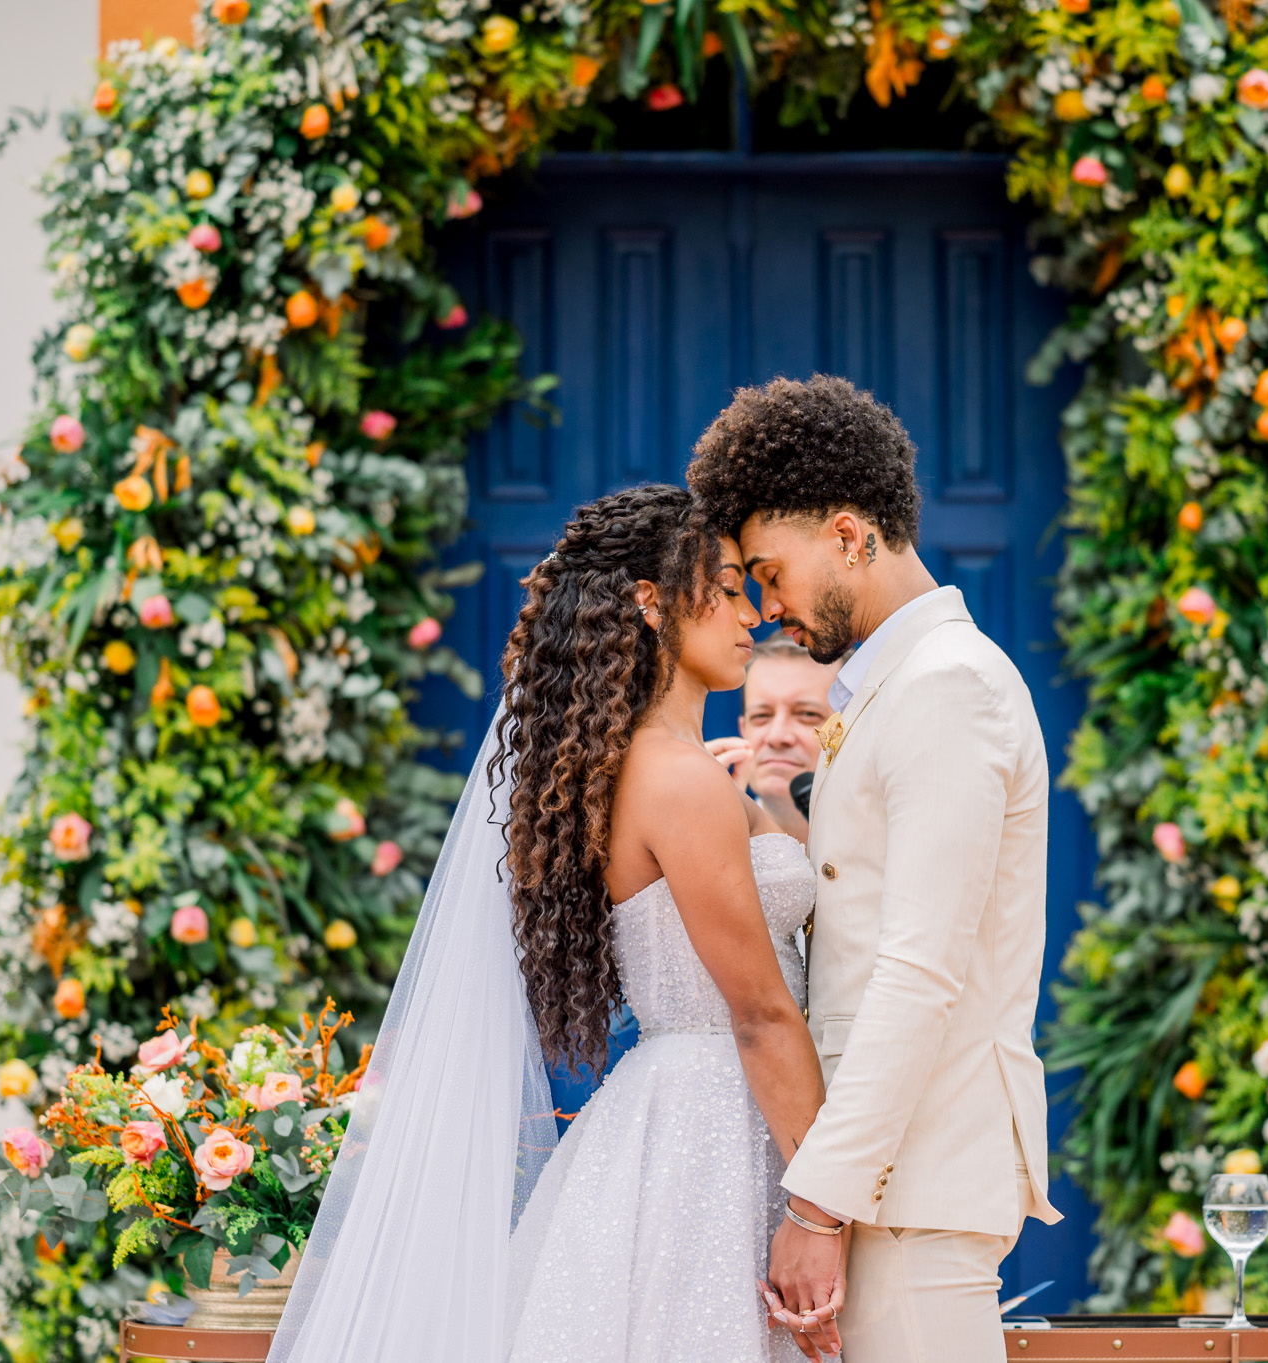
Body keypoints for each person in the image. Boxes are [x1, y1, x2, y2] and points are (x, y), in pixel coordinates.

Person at [264, 484, 841, 1363]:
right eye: (724, 588)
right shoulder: (679, 779)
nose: (752, 612)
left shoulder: (648, 768)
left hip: (679, 1115)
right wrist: (820, 1208)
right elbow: (760, 1013)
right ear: (651, 603)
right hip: (716, 1126)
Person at [689, 374, 1061, 1363]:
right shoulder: (890, 688)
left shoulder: (949, 688)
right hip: (881, 1179)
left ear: (848, 536)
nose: (764, 607)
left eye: (770, 573)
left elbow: (919, 969)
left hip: (917, 1178)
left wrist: (816, 1206)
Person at [708, 633, 840, 842]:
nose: (777, 736)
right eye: (761, 716)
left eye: (807, 714)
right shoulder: (706, 836)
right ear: (743, 730)